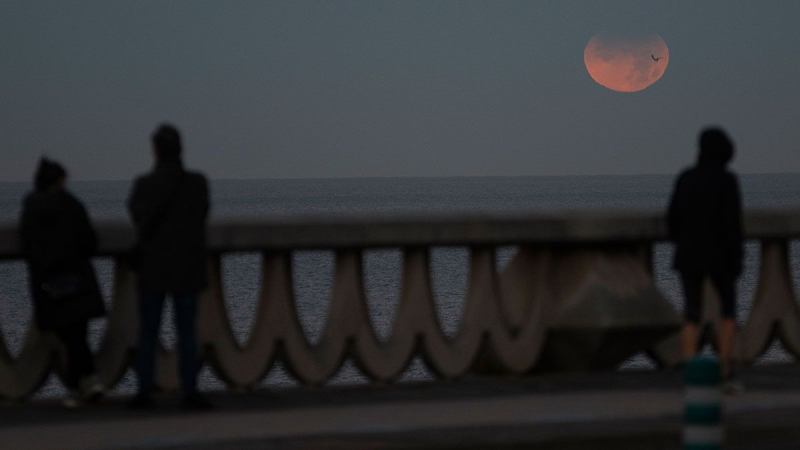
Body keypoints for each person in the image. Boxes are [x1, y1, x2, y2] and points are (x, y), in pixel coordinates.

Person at [127, 124, 211, 409]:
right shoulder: (197, 184)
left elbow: (137, 216)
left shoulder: (144, 186)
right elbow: (202, 214)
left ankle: (143, 392)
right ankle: (190, 390)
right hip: (187, 267)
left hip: (153, 268)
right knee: (187, 332)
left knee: (148, 332)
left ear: (155, 151)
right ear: (181, 149)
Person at [20, 158, 106, 408]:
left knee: (70, 337)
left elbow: (29, 246)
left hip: (50, 283)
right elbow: (90, 241)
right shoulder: (71, 204)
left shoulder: (31, 207)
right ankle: (86, 384)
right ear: (60, 180)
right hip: (77, 280)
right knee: (77, 336)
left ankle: (81, 386)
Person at [667, 127, 743, 390]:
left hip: (689, 255)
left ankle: (690, 366)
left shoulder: (686, 178)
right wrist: (738, 259)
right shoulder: (727, 180)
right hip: (721, 255)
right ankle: (725, 367)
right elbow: (734, 225)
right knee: (728, 311)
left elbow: (672, 219)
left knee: (691, 312)